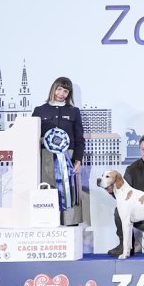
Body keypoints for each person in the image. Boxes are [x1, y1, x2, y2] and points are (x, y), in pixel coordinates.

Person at [32, 76, 85, 226]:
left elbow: (79, 137)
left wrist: (78, 159)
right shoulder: (39, 110)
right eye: (59, 89)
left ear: (69, 94)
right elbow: (32, 135)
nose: (61, 93)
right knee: (48, 188)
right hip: (46, 157)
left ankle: (71, 223)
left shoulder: (74, 111)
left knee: (69, 188)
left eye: (65, 91)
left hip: (68, 156)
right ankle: (47, 221)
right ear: (53, 89)